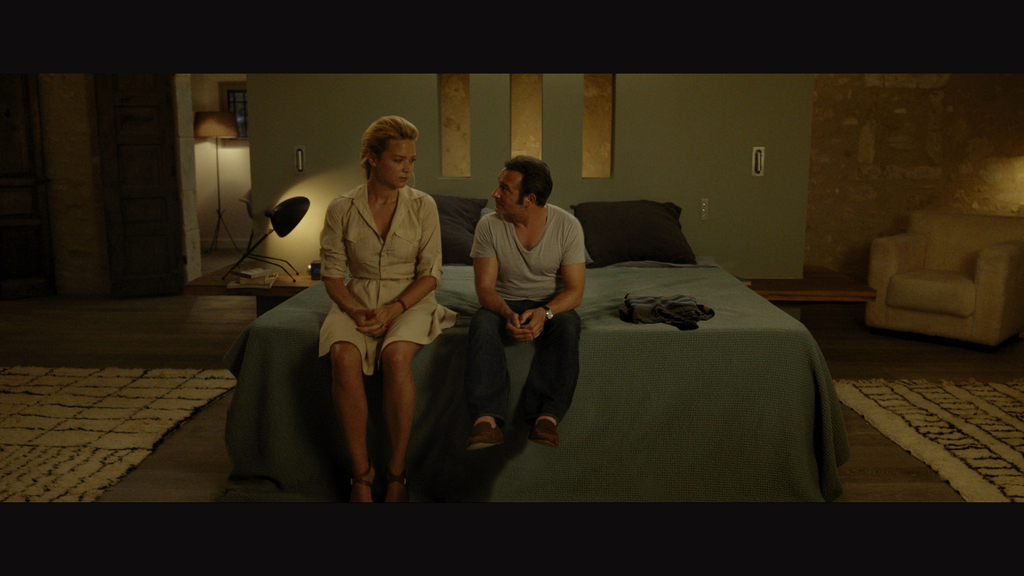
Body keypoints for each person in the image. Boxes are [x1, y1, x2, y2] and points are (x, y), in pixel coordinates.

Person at [318, 115, 456, 502]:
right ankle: (361, 474)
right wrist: (355, 311)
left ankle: (397, 471)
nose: (407, 169)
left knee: (396, 357)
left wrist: (395, 309)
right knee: (343, 355)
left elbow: (431, 274)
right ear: (372, 158)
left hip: (411, 298)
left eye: (411, 161)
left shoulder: (423, 205)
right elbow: (332, 275)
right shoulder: (341, 207)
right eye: (398, 160)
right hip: (357, 298)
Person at [464, 155, 586, 450]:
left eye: (504, 189)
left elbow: (575, 292)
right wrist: (506, 312)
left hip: (549, 304)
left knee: (569, 324)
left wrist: (545, 312)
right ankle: (486, 421)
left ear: (529, 199)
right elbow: (485, 289)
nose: (495, 193)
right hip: (503, 302)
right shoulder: (488, 226)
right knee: (482, 323)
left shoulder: (568, 226)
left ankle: (546, 417)